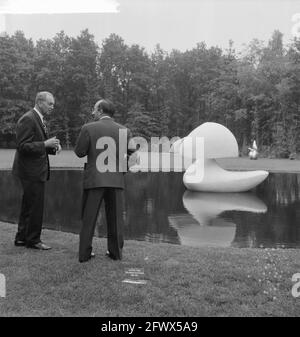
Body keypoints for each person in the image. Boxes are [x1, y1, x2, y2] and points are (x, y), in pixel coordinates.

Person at [74, 99, 135, 263]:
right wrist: (121, 170)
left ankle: (85, 254)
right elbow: (131, 154)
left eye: (94, 109)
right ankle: (115, 253)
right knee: (116, 219)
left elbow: (79, 152)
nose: (92, 112)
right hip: (116, 180)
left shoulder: (88, 128)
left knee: (89, 218)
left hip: (94, 179)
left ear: (100, 110)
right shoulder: (124, 130)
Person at [12, 91, 61, 250]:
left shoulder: (38, 118)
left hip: (33, 170)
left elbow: (38, 144)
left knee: (28, 205)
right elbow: (22, 146)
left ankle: (21, 238)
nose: (52, 107)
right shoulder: (28, 118)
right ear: (40, 102)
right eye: (50, 104)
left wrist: (52, 148)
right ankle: (33, 240)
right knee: (35, 207)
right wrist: (45, 144)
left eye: (53, 104)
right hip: (31, 171)